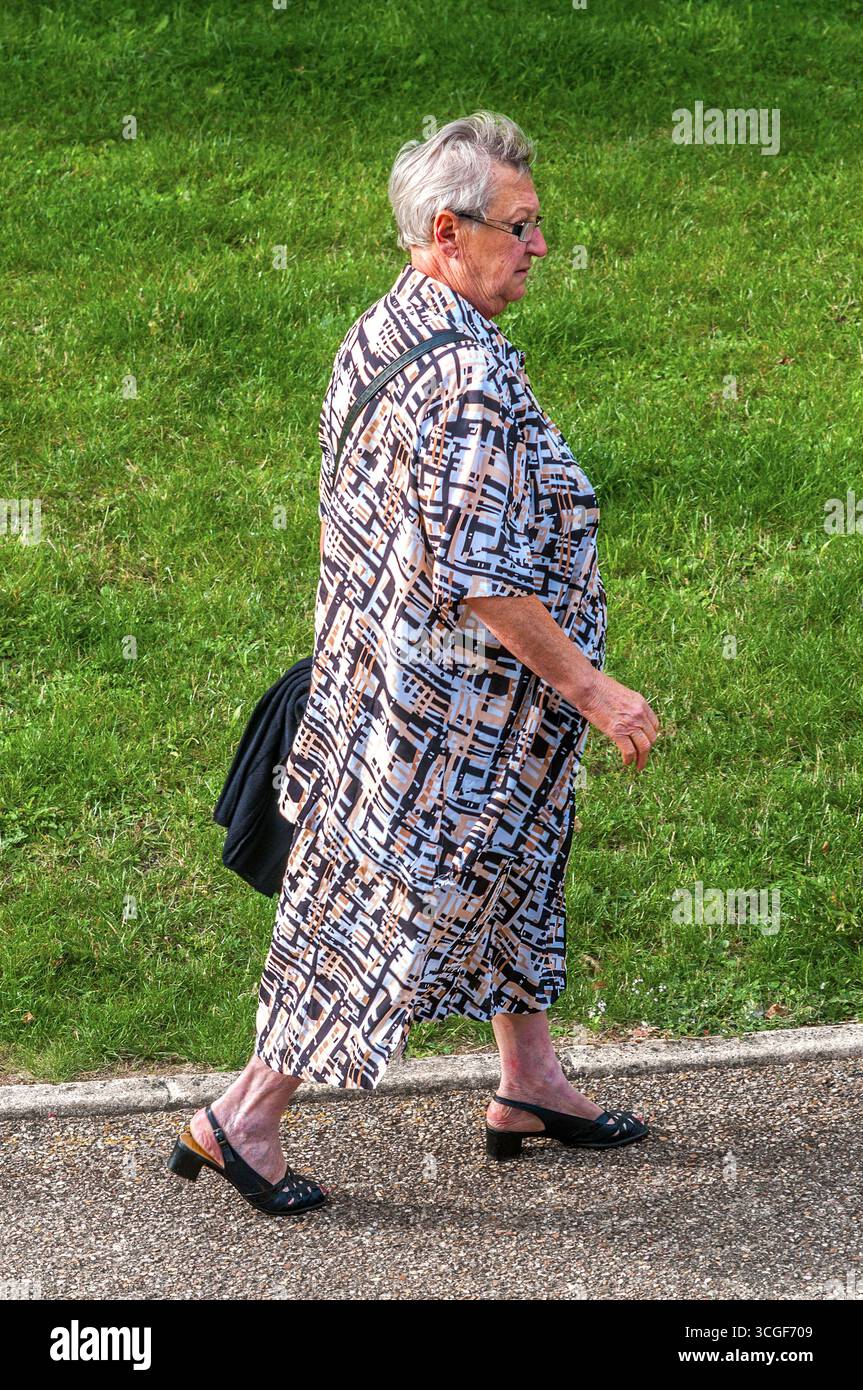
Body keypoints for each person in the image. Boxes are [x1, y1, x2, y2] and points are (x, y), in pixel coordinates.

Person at [167, 111, 660, 1215]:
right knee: (379, 914)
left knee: (510, 883)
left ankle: (527, 1080)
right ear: (447, 230)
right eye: (520, 227)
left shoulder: (387, 327)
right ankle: (241, 1118)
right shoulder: (464, 385)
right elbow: (481, 576)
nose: (540, 247)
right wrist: (592, 686)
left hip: (395, 687)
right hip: (444, 719)